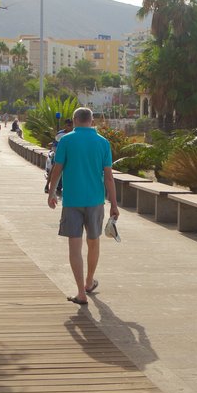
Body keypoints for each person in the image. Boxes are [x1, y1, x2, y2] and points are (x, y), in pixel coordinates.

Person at [46, 107, 119, 306]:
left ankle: (80, 293)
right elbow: (109, 177)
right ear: (91, 120)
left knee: (75, 246)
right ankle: (89, 281)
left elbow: (57, 169)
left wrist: (52, 194)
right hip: (95, 200)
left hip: (72, 201)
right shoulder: (103, 143)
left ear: (75, 120)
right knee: (93, 242)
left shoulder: (66, 141)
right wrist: (114, 204)